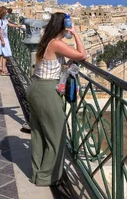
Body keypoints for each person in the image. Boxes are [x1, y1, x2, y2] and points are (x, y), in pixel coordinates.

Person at [28, 12, 86, 186]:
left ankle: (38, 174)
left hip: (35, 87)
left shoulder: (46, 40)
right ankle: (48, 177)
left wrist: (64, 64)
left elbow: (50, 62)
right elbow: (82, 55)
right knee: (56, 135)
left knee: (38, 134)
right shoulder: (56, 43)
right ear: (64, 26)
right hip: (46, 91)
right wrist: (75, 33)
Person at [0, 6, 23, 75]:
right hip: (1, 39)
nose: (6, 13)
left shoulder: (4, 19)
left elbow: (9, 24)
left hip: (5, 38)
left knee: (6, 54)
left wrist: (18, 26)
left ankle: (3, 69)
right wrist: (2, 40)